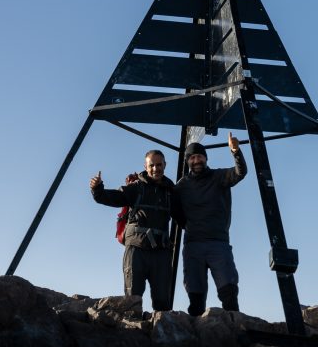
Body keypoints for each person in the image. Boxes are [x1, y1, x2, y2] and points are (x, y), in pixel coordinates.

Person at [89, 150, 175, 311]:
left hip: (161, 252)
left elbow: (184, 216)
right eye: (152, 165)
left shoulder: (171, 191)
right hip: (136, 251)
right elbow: (110, 197)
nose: (156, 169)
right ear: (145, 166)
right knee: (132, 300)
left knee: (163, 302)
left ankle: (161, 332)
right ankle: (134, 334)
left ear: (165, 165)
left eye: (159, 165)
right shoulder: (136, 188)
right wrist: (97, 189)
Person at [175, 132, 247, 316]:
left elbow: (240, 173)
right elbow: (174, 212)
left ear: (205, 158)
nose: (196, 160)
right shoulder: (181, 186)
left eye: (199, 156)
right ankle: (198, 338)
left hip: (218, 243)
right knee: (195, 299)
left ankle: (235, 335)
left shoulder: (219, 176)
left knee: (228, 292)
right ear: (188, 162)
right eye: (192, 157)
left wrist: (235, 151)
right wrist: (189, 226)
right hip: (193, 245)